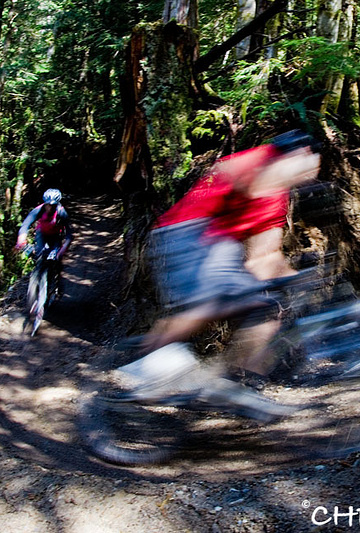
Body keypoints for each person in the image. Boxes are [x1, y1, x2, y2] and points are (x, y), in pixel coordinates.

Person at [120, 130, 322, 422]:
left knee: (266, 309)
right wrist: (278, 172)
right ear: (301, 154)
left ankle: (239, 386)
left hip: (220, 245)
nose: (313, 171)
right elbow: (233, 175)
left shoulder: (278, 196)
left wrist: (293, 278)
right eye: (311, 160)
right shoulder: (260, 160)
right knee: (208, 302)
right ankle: (140, 369)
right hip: (188, 230)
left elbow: (264, 256)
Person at [16, 188, 73, 306]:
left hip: (56, 236)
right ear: (44, 203)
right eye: (48, 205)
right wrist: (21, 240)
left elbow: (69, 235)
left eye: (52, 205)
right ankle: (36, 284)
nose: (50, 208)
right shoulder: (38, 210)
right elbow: (25, 225)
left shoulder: (61, 212)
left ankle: (57, 279)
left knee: (56, 257)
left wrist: (62, 250)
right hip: (41, 234)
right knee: (39, 255)